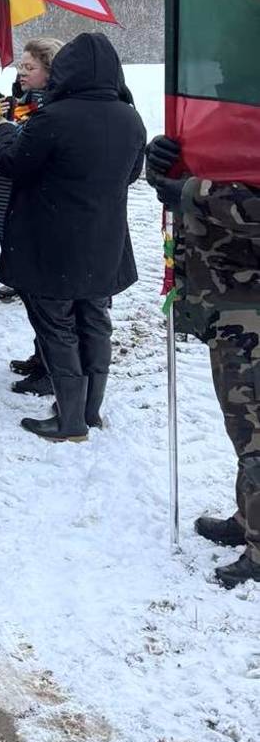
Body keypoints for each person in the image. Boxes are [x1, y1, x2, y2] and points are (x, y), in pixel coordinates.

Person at [0, 31, 145, 442]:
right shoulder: (130, 117)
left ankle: (70, 420)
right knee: (95, 321)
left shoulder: (54, 117)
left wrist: (3, 128)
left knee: (56, 326)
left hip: (52, 242)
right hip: (105, 240)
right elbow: (131, 175)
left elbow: (13, 165)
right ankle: (88, 411)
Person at [146, 135, 260, 588]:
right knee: (243, 426)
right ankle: (248, 517)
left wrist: (191, 192)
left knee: (257, 433)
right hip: (228, 302)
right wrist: (172, 166)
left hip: (252, 307)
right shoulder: (234, 116)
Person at [0, 37, 64, 394]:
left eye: (30, 68)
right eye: (20, 66)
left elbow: (23, 156)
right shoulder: (21, 102)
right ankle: (40, 353)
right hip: (10, 203)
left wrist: (5, 131)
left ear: (50, 71)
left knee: (42, 294)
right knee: (28, 289)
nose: (22, 73)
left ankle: (50, 364)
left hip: (32, 207)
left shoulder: (53, 110)